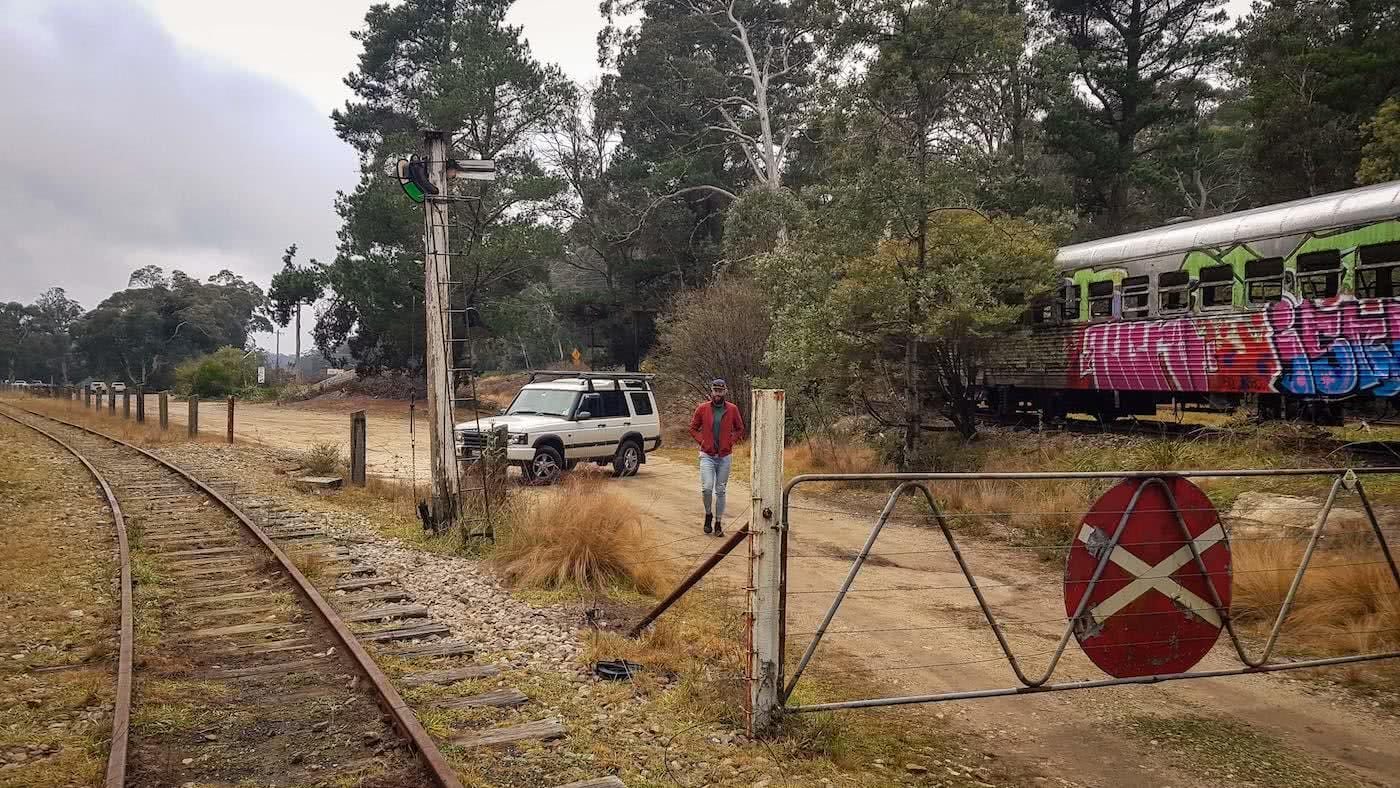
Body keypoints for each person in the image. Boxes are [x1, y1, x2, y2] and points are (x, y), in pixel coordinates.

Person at [689, 379, 745, 536]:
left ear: (725, 392)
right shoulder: (702, 408)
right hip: (707, 455)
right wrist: (702, 441)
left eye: (720, 391)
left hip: (724, 456)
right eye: (715, 390)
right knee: (707, 488)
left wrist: (731, 441)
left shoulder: (732, 409)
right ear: (711, 391)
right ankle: (708, 515)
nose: (717, 393)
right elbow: (693, 428)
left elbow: (740, 428)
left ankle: (718, 523)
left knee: (720, 490)